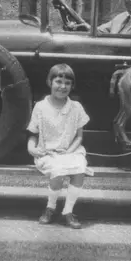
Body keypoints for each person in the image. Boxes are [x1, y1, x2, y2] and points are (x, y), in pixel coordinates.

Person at [27, 63, 92, 229]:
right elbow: (33, 134)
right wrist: (32, 149)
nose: (62, 86)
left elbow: (79, 137)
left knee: (79, 168)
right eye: (58, 81)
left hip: (71, 150)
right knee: (58, 169)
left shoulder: (76, 107)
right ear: (50, 82)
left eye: (67, 83)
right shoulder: (40, 107)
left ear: (72, 86)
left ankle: (68, 211)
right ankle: (50, 207)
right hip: (48, 152)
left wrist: (69, 152)